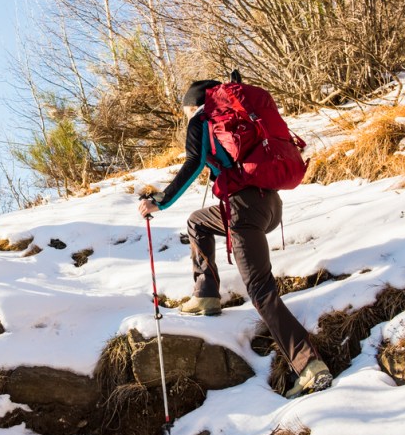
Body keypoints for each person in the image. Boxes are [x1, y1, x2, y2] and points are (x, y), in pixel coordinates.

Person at [137, 80, 332, 398]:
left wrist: (160, 201)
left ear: (194, 105)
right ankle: (206, 295)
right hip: (269, 205)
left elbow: (192, 164)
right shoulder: (241, 114)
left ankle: (310, 366)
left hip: (243, 211)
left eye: (186, 110)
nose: (186, 116)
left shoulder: (203, 120)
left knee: (261, 291)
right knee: (197, 221)